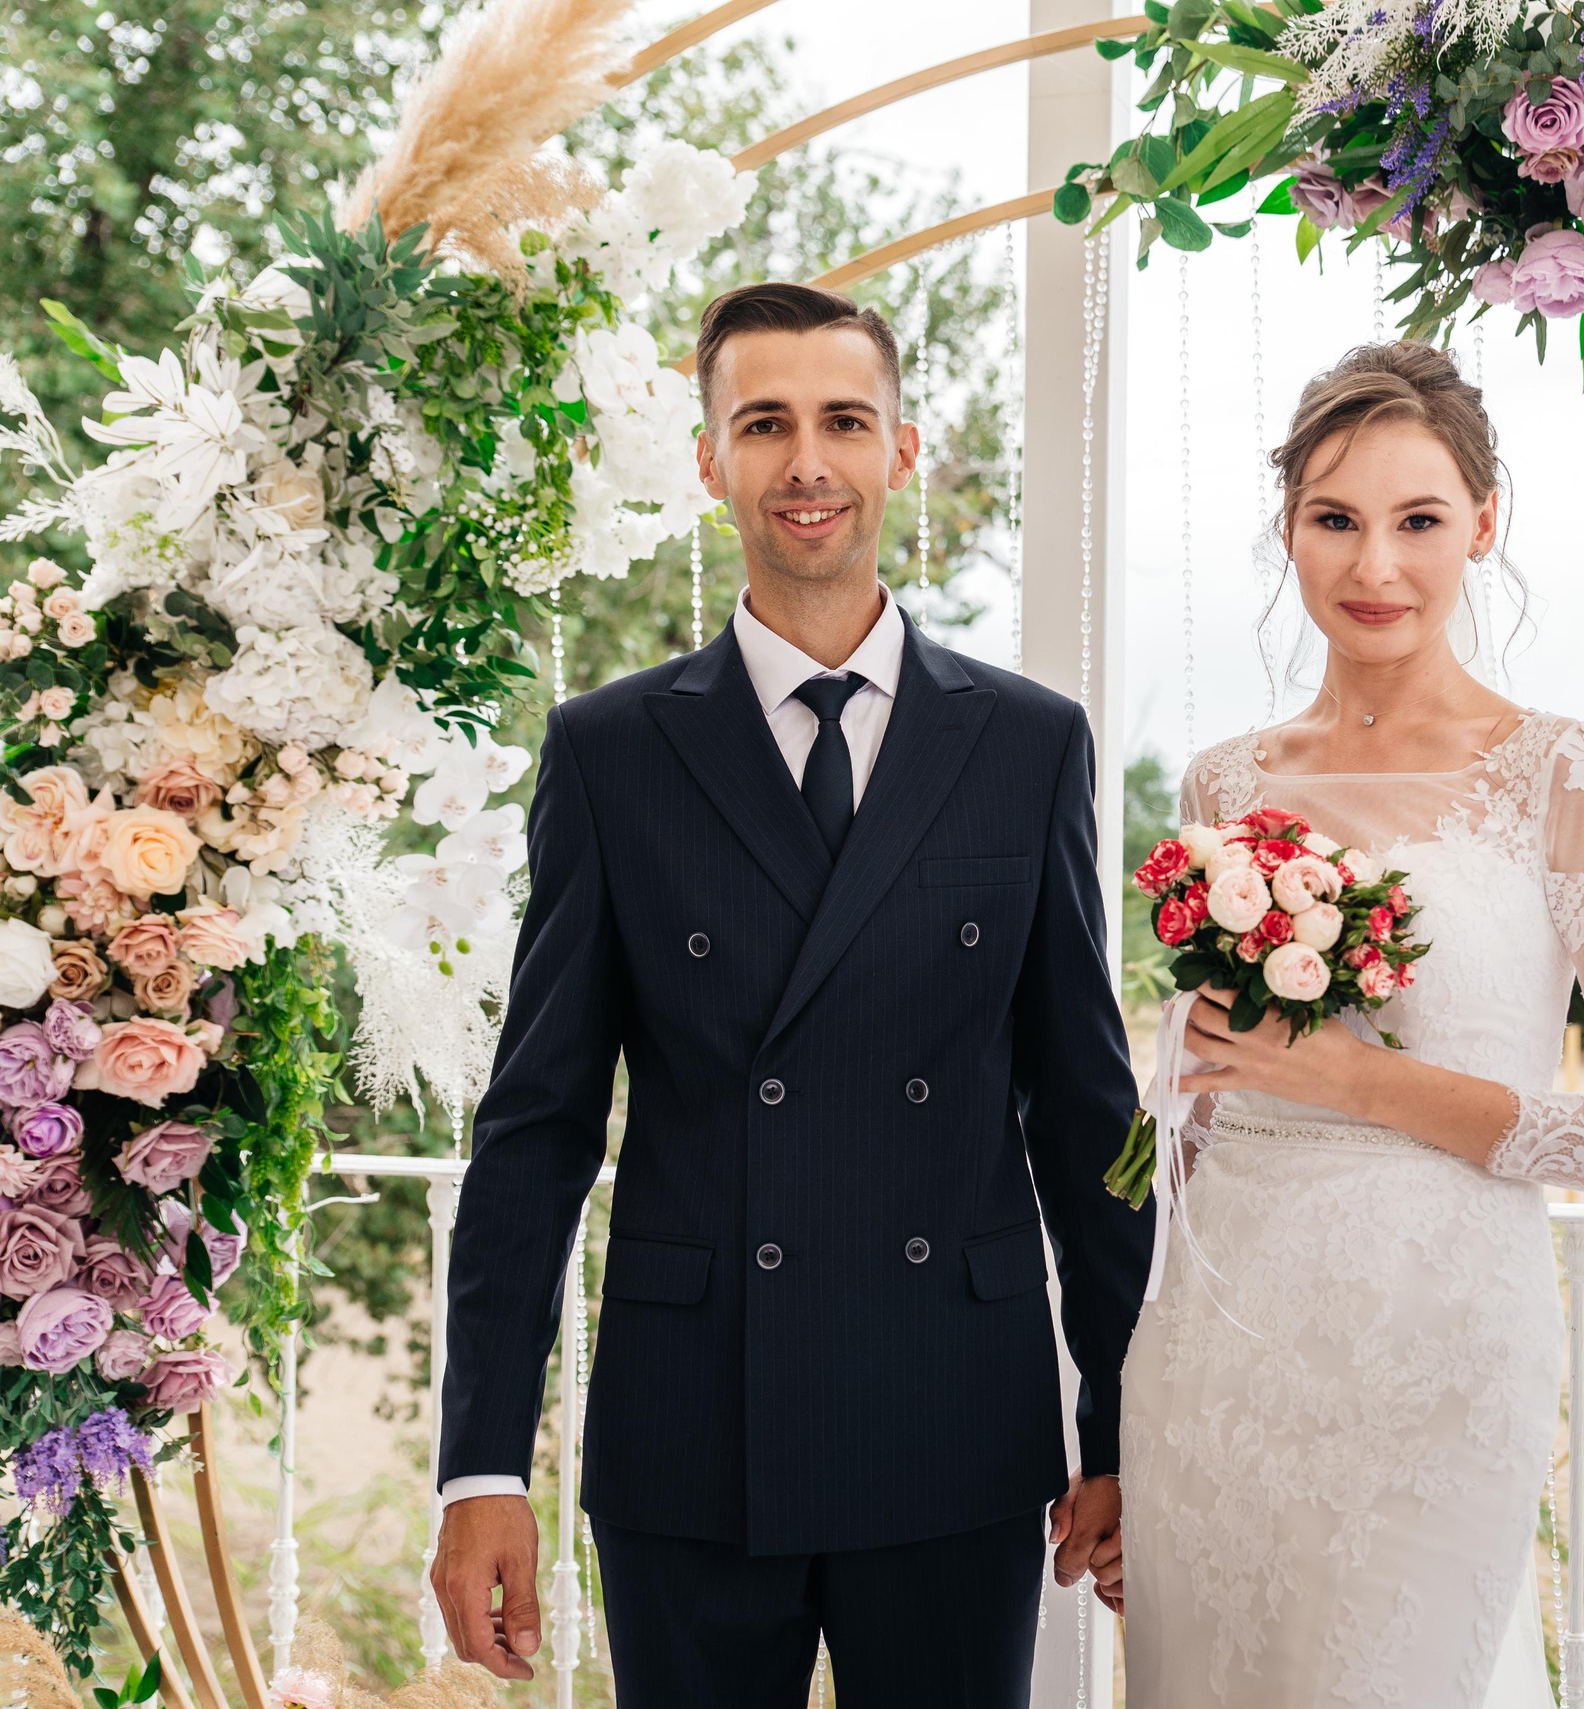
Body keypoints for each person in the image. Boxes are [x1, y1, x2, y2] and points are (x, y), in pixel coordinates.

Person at [428, 281, 1153, 1708]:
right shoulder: (610, 751)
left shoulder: (1028, 743)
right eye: (764, 424)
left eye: (842, 421)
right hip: (695, 1427)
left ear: (905, 450)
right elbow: (537, 1129)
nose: (806, 462)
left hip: (953, 1411)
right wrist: (482, 1462)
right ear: (710, 459)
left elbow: (1089, 1113)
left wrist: (1123, 1417)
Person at [1116, 341, 1584, 1706]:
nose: (1373, 565)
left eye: (1418, 522)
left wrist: (1351, 1080)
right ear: (1289, 532)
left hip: (1438, 1367)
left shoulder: (1557, 771)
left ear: (1484, 525)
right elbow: (1199, 1130)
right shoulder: (1226, 777)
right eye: (1335, 520)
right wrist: (1113, 1417)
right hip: (1216, 1370)